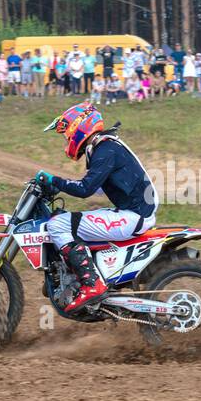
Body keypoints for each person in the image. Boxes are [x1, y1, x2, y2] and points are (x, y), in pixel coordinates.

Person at [36, 103, 157, 312]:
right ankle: (75, 273)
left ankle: (92, 284)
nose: (66, 139)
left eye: (67, 133)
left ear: (79, 126)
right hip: (133, 213)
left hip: (133, 216)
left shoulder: (105, 149)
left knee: (57, 225)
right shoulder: (104, 147)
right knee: (70, 220)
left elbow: (85, 188)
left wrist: (54, 181)